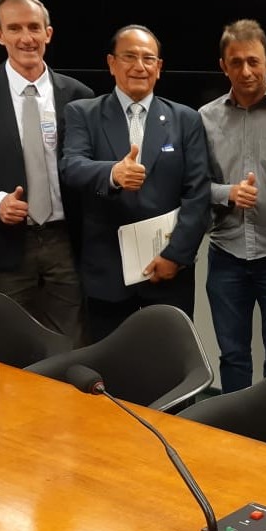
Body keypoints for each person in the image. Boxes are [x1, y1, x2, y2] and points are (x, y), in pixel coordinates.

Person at [60, 25, 210, 341]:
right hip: (107, 271)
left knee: (171, 359)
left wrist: (176, 256)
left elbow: (197, 193)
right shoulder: (84, 113)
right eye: (129, 57)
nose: (139, 66)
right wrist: (112, 173)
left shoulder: (186, 119)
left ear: (159, 67)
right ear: (111, 63)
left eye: (148, 58)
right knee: (110, 363)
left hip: (168, 271)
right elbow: (71, 167)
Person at [0, 0, 94, 344]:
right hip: (3, 243)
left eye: (34, 27)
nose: (26, 38)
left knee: (70, 345)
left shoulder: (79, 96)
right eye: (15, 28)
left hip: (66, 241)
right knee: (7, 347)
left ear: (48, 33)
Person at [200, 19, 266, 393]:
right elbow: (193, 186)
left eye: (254, 61)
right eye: (236, 62)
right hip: (226, 256)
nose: (246, 71)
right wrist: (227, 193)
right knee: (233, 356)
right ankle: (236, 426)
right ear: (223, 66)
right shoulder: (205, 119)